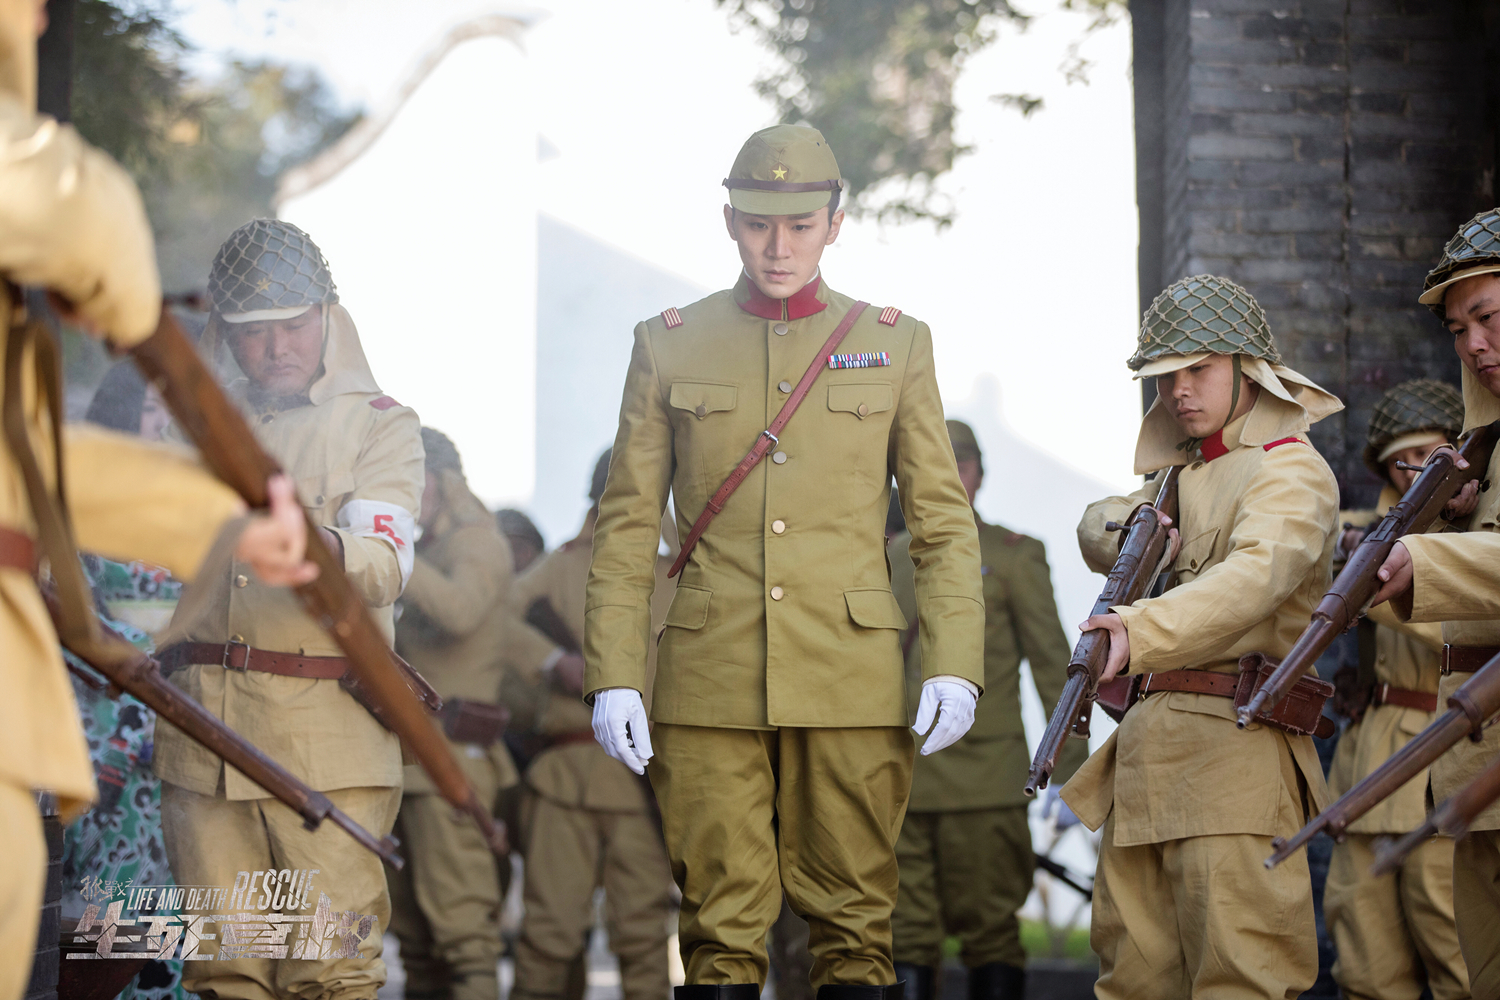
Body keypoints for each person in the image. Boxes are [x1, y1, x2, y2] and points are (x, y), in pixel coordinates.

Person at [584, 124, 984, 1000]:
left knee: (854, 928)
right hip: (708, 670)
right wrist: (615, 671)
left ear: (835, 223)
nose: (779, 246)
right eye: (761, 223)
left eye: (800, 224)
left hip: (851, 673)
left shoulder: (897, 343)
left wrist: (955, 664)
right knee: (719, 931)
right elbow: (625, 526)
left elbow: (942, 525)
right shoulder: (669, 343)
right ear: (729, 220)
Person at [0, 6, 315, 998]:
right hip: (112, 737)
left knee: (202, 949)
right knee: (105, 948)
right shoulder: (50, 186)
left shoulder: (183, 506)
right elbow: (63, 607)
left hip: (194, 744)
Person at [154, 219, 425, 999]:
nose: (276, 349)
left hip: (327, 745)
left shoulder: (380, 422)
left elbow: (387, 563)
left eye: (295, 326)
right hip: (202, 737)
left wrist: (316, 544)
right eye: (253, 333)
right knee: (221, 974)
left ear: (330, 318)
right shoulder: (194, 428)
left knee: (330, 972)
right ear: (222, 335)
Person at [1060, 274, 1343, 997]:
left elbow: (1255, 577)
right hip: (1146, 761)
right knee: (1130, 981)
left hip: (1234, 753)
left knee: (1239, 980)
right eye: (1165, 378)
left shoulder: (1291, 471)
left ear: (1248, 368)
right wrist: (1137, 528)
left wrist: (1136, 627)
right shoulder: (1179, 474)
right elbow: (1097, 524)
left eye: (1198, 369)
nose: (1179, 390)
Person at [888, 420, 1083, 1000]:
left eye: (961, 463)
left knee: (992, 932)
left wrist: (1072, 772)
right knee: (903, 934)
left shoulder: (1015, 557)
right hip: (902, 780)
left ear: (978, 473)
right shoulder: (889, 558)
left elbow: (1055, 667)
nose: (949, 475)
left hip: (986, 780)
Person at [388, 429, 580, 1000]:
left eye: (405, 475)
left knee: (465, 936)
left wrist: (389, 551)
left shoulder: (478, 544)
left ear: (439, 480)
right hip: (410, 760)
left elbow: (462, 611)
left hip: (450, 762)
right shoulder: (432, 548)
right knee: (417, 940)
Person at [1366, 208, 1500, 997]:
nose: (1473, 345)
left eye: (1486, 317)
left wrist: (1424, 556)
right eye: (1458, 330)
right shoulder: (1482, 450)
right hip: (1474, 767)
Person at [510, 449, 676, 1000]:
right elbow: (495, 619)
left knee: (645, 938)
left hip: (648, 781)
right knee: (549, 935)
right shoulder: (560, 565)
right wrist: (551, 660)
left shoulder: (681, 572)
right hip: (567, 773)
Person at [1323, 380, 1470, 1000]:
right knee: (1364, 963)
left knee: (1459, 954)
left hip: (1445, 756)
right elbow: (1315, 538)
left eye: (1428, 457)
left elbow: (1448, 628)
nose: (1413, 472)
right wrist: (1343, 551)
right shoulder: (1366, 527)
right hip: (1370, 765)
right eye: (1399, 461)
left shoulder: (1472, 541)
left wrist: (1370, 577)